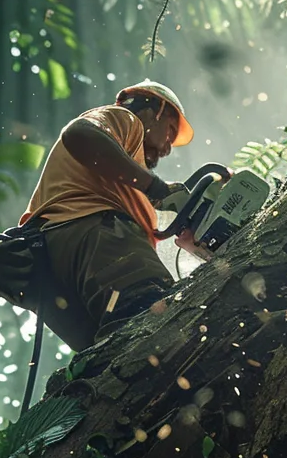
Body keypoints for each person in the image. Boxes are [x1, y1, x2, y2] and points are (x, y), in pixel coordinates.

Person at [19, 80, 212, 351]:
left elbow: (163, 236)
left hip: (63, 256)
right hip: (97, 236)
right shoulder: (125, 119)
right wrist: (154, 185)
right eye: (169, 131)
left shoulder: (118, 179)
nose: (168, 148)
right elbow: (78, 133)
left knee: (116, 344)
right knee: (150, 323)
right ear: (155, 111)